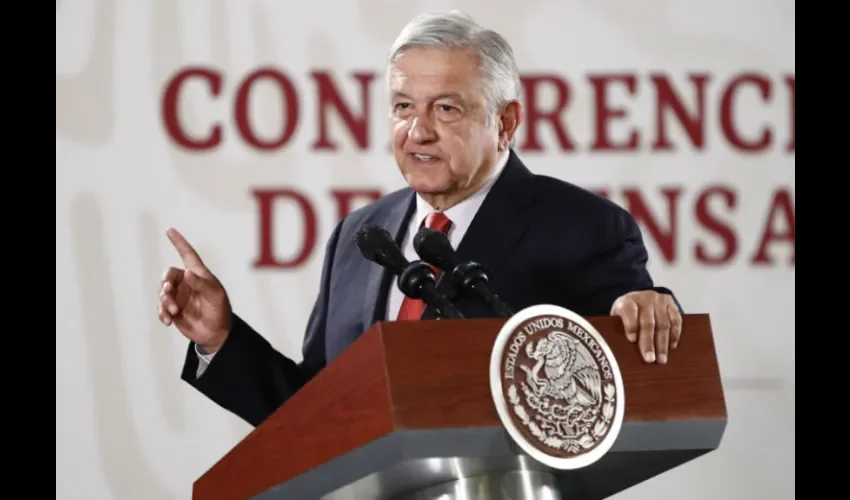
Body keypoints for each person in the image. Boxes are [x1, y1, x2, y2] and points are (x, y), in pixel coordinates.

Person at [158, 11, 683, 428]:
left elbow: (633, 327)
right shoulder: (359, 235)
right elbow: (314, 416)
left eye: (446, 109)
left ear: (506, 122)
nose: (417, 131)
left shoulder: (582, 225)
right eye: (403, 106)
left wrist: (644, 304)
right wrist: (221, 338)